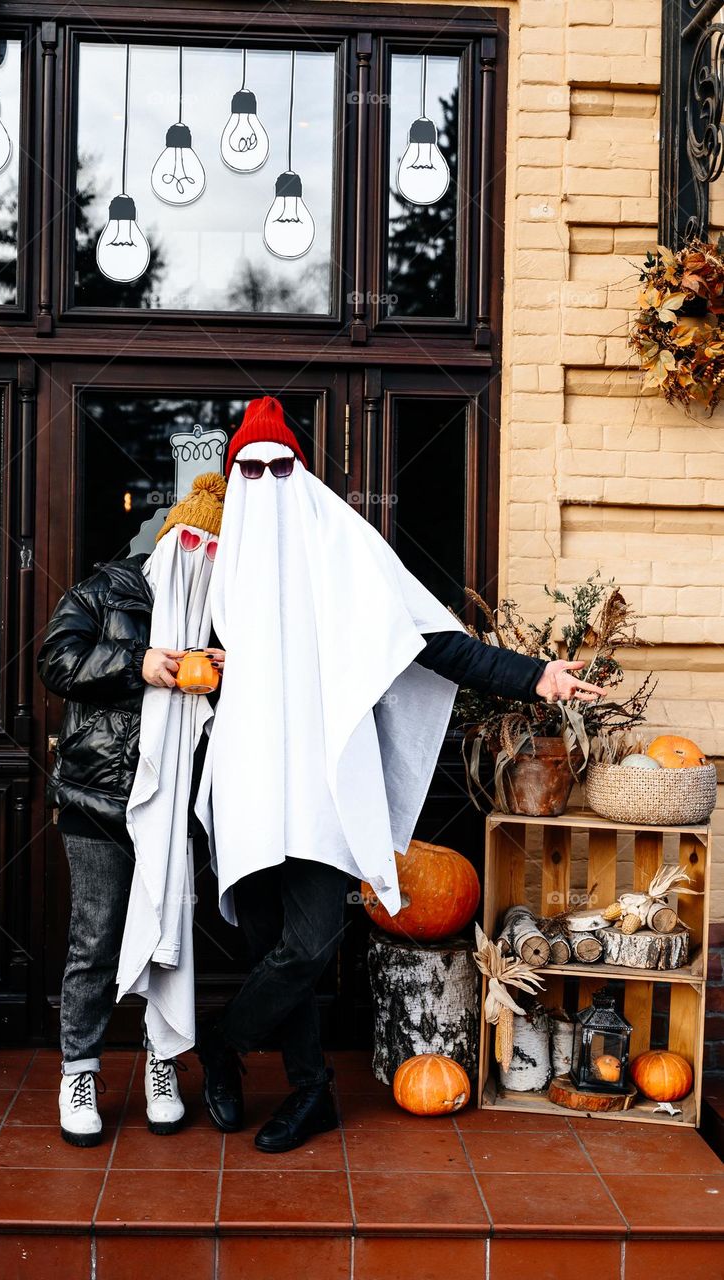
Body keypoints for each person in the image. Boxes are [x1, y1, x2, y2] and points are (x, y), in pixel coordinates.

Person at [193, 397, 605, 1154]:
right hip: (245, 786)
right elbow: (165, 656)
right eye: (247, 470)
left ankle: (220, 1044)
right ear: (230, 480)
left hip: (318, 792)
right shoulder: (212, 567)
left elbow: (434, 641)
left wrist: (534, 676)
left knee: (309, 944)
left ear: (303, 476)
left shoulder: (343, 552)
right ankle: (309, 1091)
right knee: (265, 947)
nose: (264, 481)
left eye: (278, 467)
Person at [37, 473, 226, 1147]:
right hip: (97, 802)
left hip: (177, 805)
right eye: (193, 543)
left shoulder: (221, 610)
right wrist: (137, 661)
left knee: (169, 942)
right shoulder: (106, 588)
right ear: (169, 537)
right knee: (95, 940)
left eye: (216, 550)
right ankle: (79, 1070)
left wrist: (232, 671)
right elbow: (55, 660)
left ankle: (162, 1063)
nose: (200, 559)